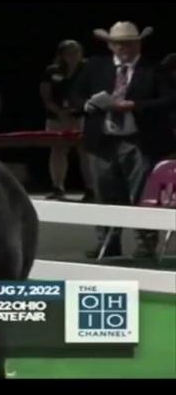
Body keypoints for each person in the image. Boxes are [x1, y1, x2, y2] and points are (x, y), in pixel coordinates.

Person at [70, 21, 176, 259]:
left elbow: (170, 100)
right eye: (119, 43)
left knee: (142, 195)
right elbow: (74, 94)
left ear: (138, 44)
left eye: (129, 43)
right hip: (103, 141)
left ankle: (146, 243)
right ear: (111, 45)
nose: (124, 47)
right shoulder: (96, 67)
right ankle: (108, 242)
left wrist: (135, 106)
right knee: (105, 194)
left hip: (139, 141)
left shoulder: (153, 69)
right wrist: (85, 105)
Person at [40, 40, 93, 201]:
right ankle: (58, 188)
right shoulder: (52, 70)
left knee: (85, 153)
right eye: (69, 52)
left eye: (76, 52)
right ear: (61, 54)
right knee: (57, 151)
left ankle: (91, 189)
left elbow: (95, 93)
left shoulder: (88, 69)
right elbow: (46, 97)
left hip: (82, 117)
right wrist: (60, 112)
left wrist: (79, 109)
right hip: (57, 117)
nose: (73, 55)